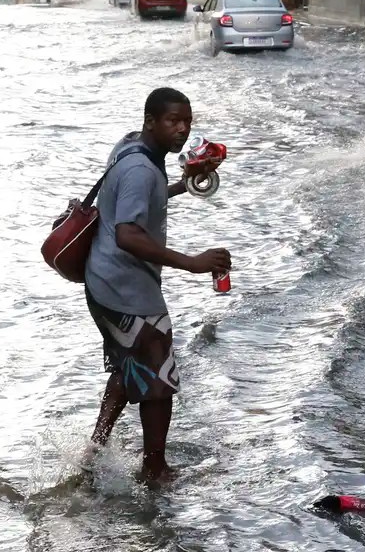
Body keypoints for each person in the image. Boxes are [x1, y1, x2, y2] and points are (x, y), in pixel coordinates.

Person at [84, 87, 230, 483]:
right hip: (125, 287)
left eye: (187, 122)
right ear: (150, 121)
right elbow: (128, 234)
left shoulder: (132, 148)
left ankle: (94, 449)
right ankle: (155, 468)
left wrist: (185, 184)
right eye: (172, 122)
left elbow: (135, 201)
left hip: (102, 281)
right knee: (159, 373)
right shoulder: (141, 169)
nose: (182, 130)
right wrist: (192, 263)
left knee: (132, 361)